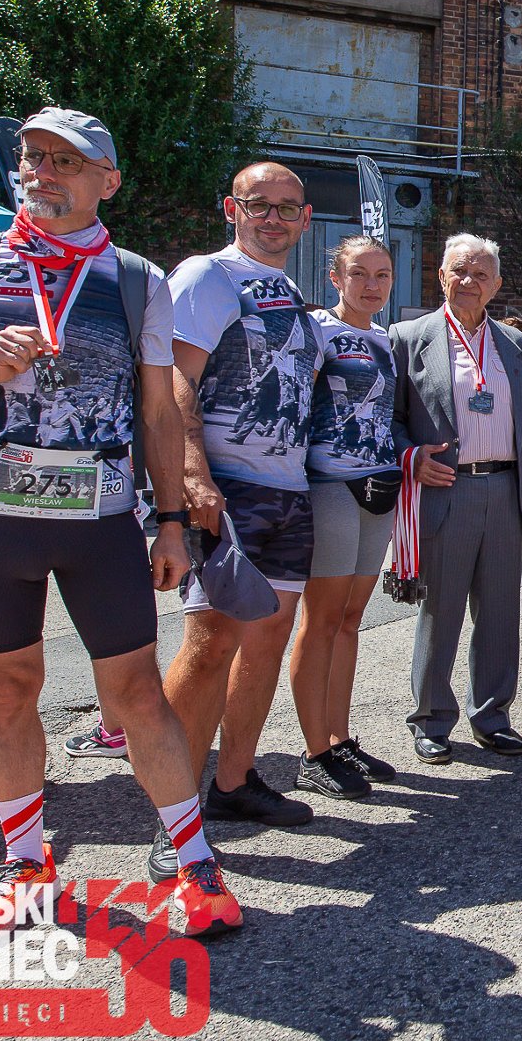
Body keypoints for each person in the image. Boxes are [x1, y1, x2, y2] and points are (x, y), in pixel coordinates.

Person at [0, 107, 239, 936]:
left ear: (106, 181)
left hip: (99, 517)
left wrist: (169, 521)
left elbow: (159, 410)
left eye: (65, 161)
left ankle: (195, 867)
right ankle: (25, 864)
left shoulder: (136, 278)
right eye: (33, 156)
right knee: (9, 688)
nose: (43, 171)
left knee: (136, 692)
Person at [156, 161, 324, 878]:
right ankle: (175, 818)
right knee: (210, 644)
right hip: (229, 490)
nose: (273, 219)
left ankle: (233, 783)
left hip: (288, 492)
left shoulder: (289, 293)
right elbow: (172, 377)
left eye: (288, 208)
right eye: (260, 205)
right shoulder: (207, 276)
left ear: (306, 219)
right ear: (232, 208)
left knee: (267, 639)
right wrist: (192, 472)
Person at [393, 234, 522, 762]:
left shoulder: (515, 344)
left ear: (495, 285)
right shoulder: (408, 338)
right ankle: (431, 718)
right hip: (445, 489)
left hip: (505, 489)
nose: (469, 281)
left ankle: (492, 715)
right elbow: (387, 417)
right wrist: (411, 457)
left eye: (480, 274)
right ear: (441, 276)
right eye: (459, 271)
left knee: (500, 613)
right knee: (442, 608)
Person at [285, 235, 400, 797]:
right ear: (336, 278)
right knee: (322, 619)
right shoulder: (316, 331)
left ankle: (339, 737)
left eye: (382, 275)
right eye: (359, 274)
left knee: (351, 618)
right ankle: (314, 752)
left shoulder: (386, 339)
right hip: (329, 485)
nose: (371, 285)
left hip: (379, 487)